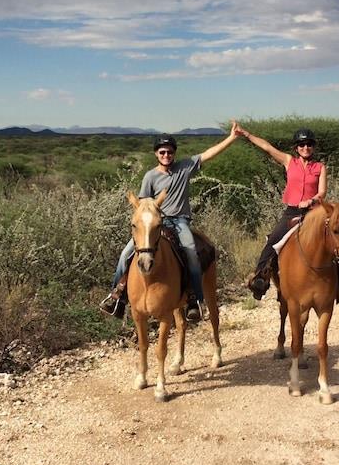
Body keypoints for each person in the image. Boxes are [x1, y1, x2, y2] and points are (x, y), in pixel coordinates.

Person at [100, 122, 241, 323]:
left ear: (174, 153)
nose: (166, 155)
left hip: (180, 221)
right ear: (156, 154)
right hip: (157, 224)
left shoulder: (184, 167)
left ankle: (194, 300)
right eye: (162, 152)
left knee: (191, 250)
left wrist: (231, 138)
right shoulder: (150, 176)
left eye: (169, 152)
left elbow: (209, 153)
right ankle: (117, 298)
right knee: (125, 254)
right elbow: (143, 206)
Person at [240, 126, 339, 306]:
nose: (305, 147)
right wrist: (246, 134)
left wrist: (310, 201)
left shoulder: (319, 167)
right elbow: (267, 147)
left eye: (309, 144)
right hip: (292, 211)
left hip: (314, 213)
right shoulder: (288, 162)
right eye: (301, 144)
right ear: (296, 147)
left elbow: (322, 191)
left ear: (313, 147)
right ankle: (260, 279)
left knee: (335, 245)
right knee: (274, 241)